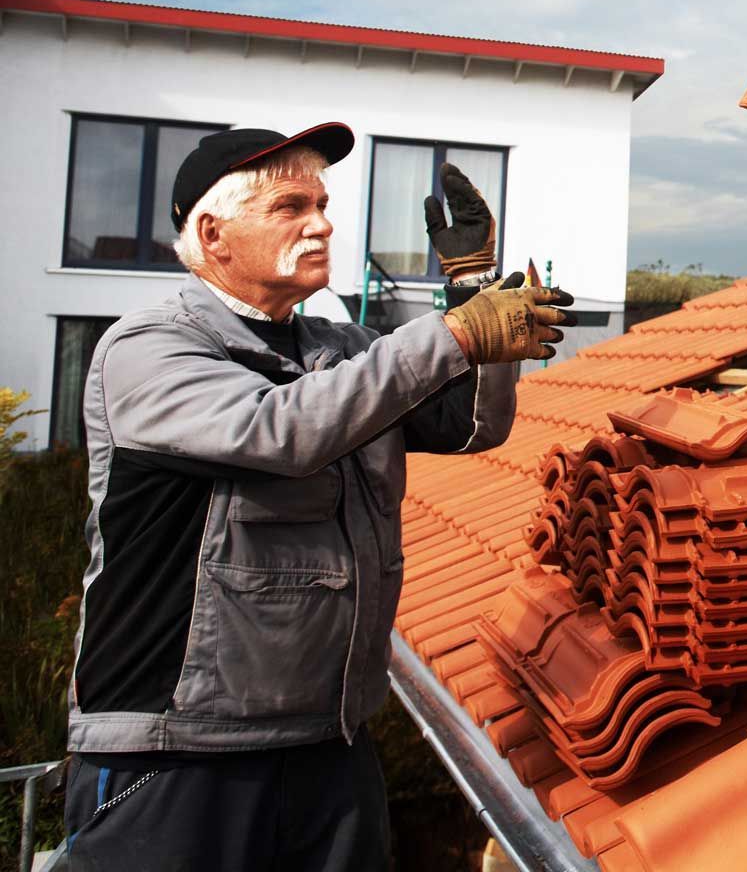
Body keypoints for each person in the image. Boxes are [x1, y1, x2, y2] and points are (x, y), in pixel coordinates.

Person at [61, 122, 577, 871]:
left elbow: (469, 426)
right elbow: (281, 431)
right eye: (290, 207)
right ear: (213, 234)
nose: (323, 223)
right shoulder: (150, 349)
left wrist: (471, 288)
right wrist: (457, 334)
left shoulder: (339, 348)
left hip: (329, 745)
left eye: (323, 204)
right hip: (178, 753)